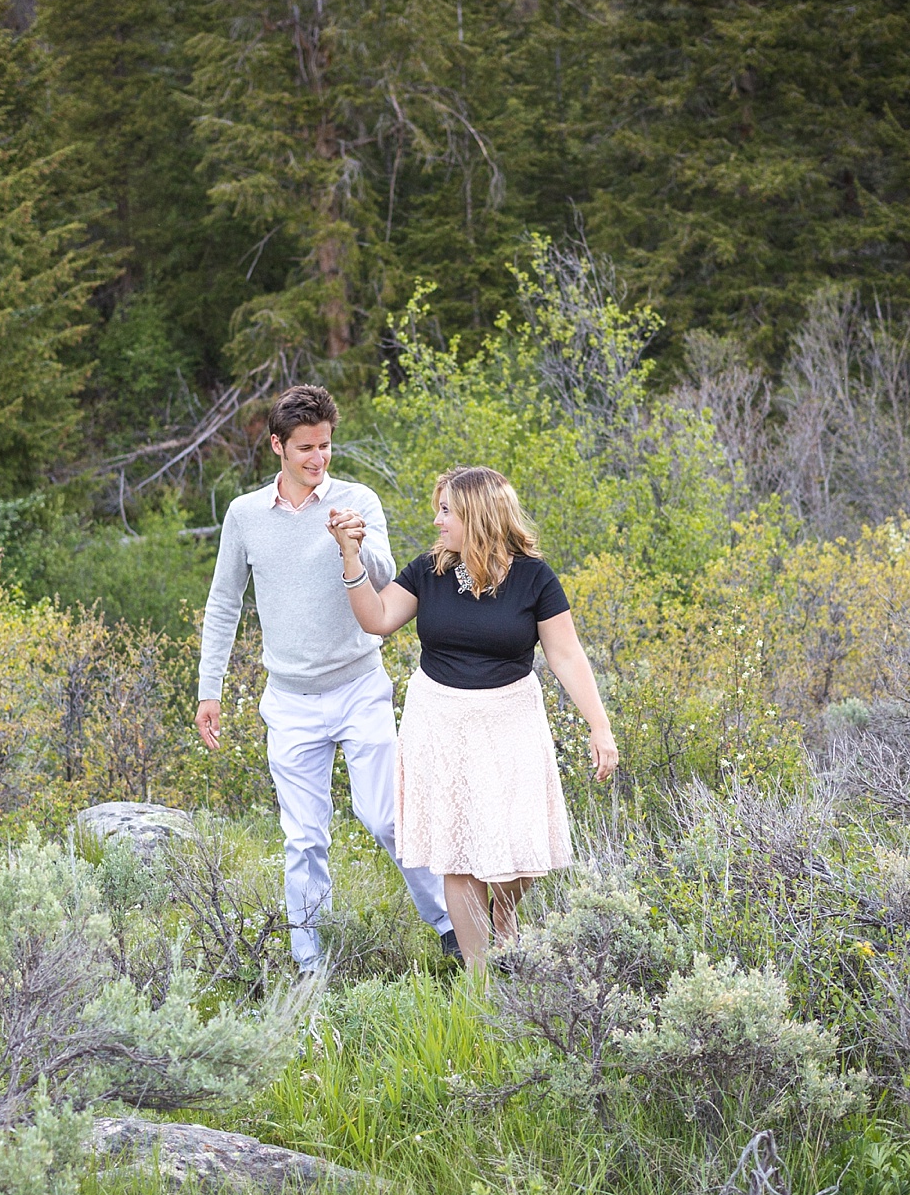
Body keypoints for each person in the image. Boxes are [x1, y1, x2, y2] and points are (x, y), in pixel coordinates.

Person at [195, 385, 457, 972]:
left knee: (386, 816)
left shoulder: (357, 498)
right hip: (288, 701)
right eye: (307, 448)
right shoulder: (244, 517)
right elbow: (223, 603)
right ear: (278, 448)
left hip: (360, 686)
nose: (319, 460)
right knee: (304, 839)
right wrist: (209, 689)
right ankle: (310, 962)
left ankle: (449, 925)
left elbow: (395, 581)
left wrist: (353, 542)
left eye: (327, 447)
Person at [329, 465, 619, 969]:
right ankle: (479, 983)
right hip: (439, 720)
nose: (437, 521)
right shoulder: (429, 571)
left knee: (519, 838)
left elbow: (566, 655)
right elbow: (375, 620)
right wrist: (350, 558)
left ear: (478, 516)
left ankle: (503, 916)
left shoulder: (534, 578)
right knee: (456, 849)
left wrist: (600, 726)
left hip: (511, 718)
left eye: (447, 511)